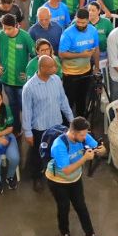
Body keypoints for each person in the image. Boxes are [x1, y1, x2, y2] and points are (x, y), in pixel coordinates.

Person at [47, 117, 105, 236]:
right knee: (64, 207)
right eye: (82, 135)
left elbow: (101, 149)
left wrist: (101, 149)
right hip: (58, 181)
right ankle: (65, 234)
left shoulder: (83, 136)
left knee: (81, 206)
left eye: (86, 134)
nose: (85, 137)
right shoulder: (59, 145)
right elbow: (66, 170)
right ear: (73, 133)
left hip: (75, 179)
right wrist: (84, 158)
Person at [21, 55, 75, 192]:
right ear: (42, 68)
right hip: (40, 128)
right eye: (51, 67)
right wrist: (28, 132)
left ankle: (54, 174)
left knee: (57, 151)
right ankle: (37, 177)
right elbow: (27, 111)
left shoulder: (56, 80)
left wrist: (71, 119)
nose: (55, 68)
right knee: (38, 154)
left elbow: (63, 101)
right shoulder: (29, 87)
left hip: (56, 125)